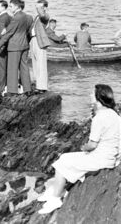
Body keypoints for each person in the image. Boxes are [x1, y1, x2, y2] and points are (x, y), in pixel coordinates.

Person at [37, 84, 121, 214]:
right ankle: (57, 190)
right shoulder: (114, 115)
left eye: (92, 94)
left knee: (62, 163)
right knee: (66, 158)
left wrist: (84, 148)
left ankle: (55, 199)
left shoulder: (99, 118)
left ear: (98, 98)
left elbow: (92, 145)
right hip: (109, 156)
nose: (90, 96)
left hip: (100, 158)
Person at [0, 0, 34, 95]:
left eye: (11, 6)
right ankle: (27, 89)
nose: (10, 8)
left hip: (15, 45)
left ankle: (12, 90)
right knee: (24, 67)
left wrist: (0, 44)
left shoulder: (16, 17)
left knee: (12, 68)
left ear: (17, 7)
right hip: (25, 44)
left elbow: (10, 32)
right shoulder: (28, 17)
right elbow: (29, 31)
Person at [29, 0, 53, 93]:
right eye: (37, 6)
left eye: (40, 7)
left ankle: (42, 87)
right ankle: (37, 85)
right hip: (33, 39)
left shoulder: (45, 16)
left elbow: (43, 15)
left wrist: (39, 8)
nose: (37, 8)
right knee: (35, 63)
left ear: (45, 8)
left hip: (40, 41)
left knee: (41, 64)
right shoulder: (37, 17)